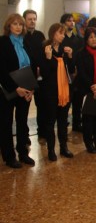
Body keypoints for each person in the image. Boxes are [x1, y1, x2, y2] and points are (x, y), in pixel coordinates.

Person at [0, 13, 36, 168]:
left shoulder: (25, 42)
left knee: (22, 122)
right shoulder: (3, 42)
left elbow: (31, 66)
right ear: (9, 26)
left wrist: (31, 88)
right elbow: (1, 70)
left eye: (20, 24)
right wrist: (15, 88)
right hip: (8, 90)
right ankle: (9, 156)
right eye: (14, 24)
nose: (18, 27)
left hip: (25, 89)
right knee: (6, 123)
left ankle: (23, 153)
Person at [39, 23, 75, 161]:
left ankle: (64, 147)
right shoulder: (45, 50)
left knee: (63, 121)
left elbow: (71, 71)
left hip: (64, 91)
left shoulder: (64, 51)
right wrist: (48, 59)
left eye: (63, 33)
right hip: (50, 92)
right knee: (50, 122)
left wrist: (70, 56)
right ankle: (51, 150)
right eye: (60, 33)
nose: (63, 36)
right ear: (53, 33)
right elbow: (44, 74)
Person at [75, 27, 96, 153]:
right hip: (86, 90)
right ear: (86, 39)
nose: (94, 39)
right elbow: (82, 73)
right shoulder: (80, 53)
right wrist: (92, 86)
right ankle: (89, 143)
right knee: (88, 119)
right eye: (91, 37)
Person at [23, 9, 46, 139]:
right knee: (24, 107)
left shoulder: (40, 35)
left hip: (39, 75)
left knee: (41, 104)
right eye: (29, 19)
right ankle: (24, 135)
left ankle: (42, 131)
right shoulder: (21, 36)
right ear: (24, 20)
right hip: (26, 75)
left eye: (34, 19)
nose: (32, 21)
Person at [61, 13, 84, 132]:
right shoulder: (61, 39)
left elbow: (81, 57)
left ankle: (77, 123)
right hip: (64, 74)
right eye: (68, 21)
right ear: (63, 24)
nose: (71, 23)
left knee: (78, 101)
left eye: (72, 21)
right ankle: (63, 122)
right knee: (66, 101)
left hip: (77, 75)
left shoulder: (79, 40)